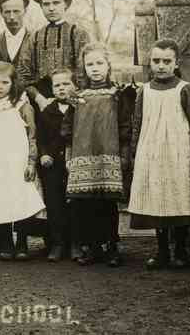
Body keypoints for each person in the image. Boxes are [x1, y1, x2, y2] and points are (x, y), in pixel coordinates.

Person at [129, 39, 190, 269]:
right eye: (156, 61)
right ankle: (162, 250)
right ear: (150, 62)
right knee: (156, 198)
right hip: (151, 152)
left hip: (177, 152)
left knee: (178, 197)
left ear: (176, 63)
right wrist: (135, 153)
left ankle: (181, 251)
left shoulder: (184, 89)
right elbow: (137, 123)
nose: (161, 66)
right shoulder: (144, 91)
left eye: (167, 61)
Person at [62, 43, 131, 267]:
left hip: (107, 156)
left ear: (108, 66)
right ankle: (90, 247)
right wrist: (69, 155)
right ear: (83, 67)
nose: (95, 68)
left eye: (99, 63)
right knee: (85, 205)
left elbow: (124, 126)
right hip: (83, 156)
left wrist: (123, 154)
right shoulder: (78, 97)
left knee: (107, 204)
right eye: (90, 64)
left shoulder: (117, 95)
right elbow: (68, 129)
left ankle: (111, 246)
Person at [0, 62, 44, 261]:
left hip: (16, 161)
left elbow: (32, 135)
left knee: (19, 199)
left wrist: (31, 162)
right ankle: (5, 242)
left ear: (13, 83)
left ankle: (21, 242)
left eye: (4, 82)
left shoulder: (21, 105)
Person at [17, 0, 90, 112]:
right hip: (43, 104)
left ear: (66, 4)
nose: (51, 8)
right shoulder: (35, 37)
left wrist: (74, 99)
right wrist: (39, 99)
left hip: (75, 103)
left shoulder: (78, 34)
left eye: (56, 3)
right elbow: (23, 75)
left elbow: (85, 72)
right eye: (46, 4)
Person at [37, 68, 76, 262]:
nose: (62, 88)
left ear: (74, 85)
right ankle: (57, 243)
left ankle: (76, 243)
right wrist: (44, 154)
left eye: (66, 84)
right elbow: (41, 138)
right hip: (53, 165)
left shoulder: (80, 107)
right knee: (54, 203)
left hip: (74, 163)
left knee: (75, 203)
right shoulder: (47, 112)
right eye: (57, 85)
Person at [0, 0, 31, 66]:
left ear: (25, 11)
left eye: (16, 11)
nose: (12, 17)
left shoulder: (37, 41)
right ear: (1, 13)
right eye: (7, 12)